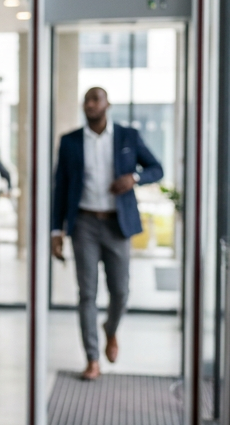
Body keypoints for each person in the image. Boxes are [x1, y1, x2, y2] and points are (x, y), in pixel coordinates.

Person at [51, 86, 163, 381]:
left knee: (121, 292)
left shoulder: (127, 136)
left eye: (95, 99)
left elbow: (157, 167)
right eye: (86, 100)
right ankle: (92, 359)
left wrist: (134, 178)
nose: (90, 104)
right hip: (84, 223)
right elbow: (60, 187)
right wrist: (56, 230)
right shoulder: (70, 141)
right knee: (86, 294)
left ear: (107, 104)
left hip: (117, 223)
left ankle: (110, 330)